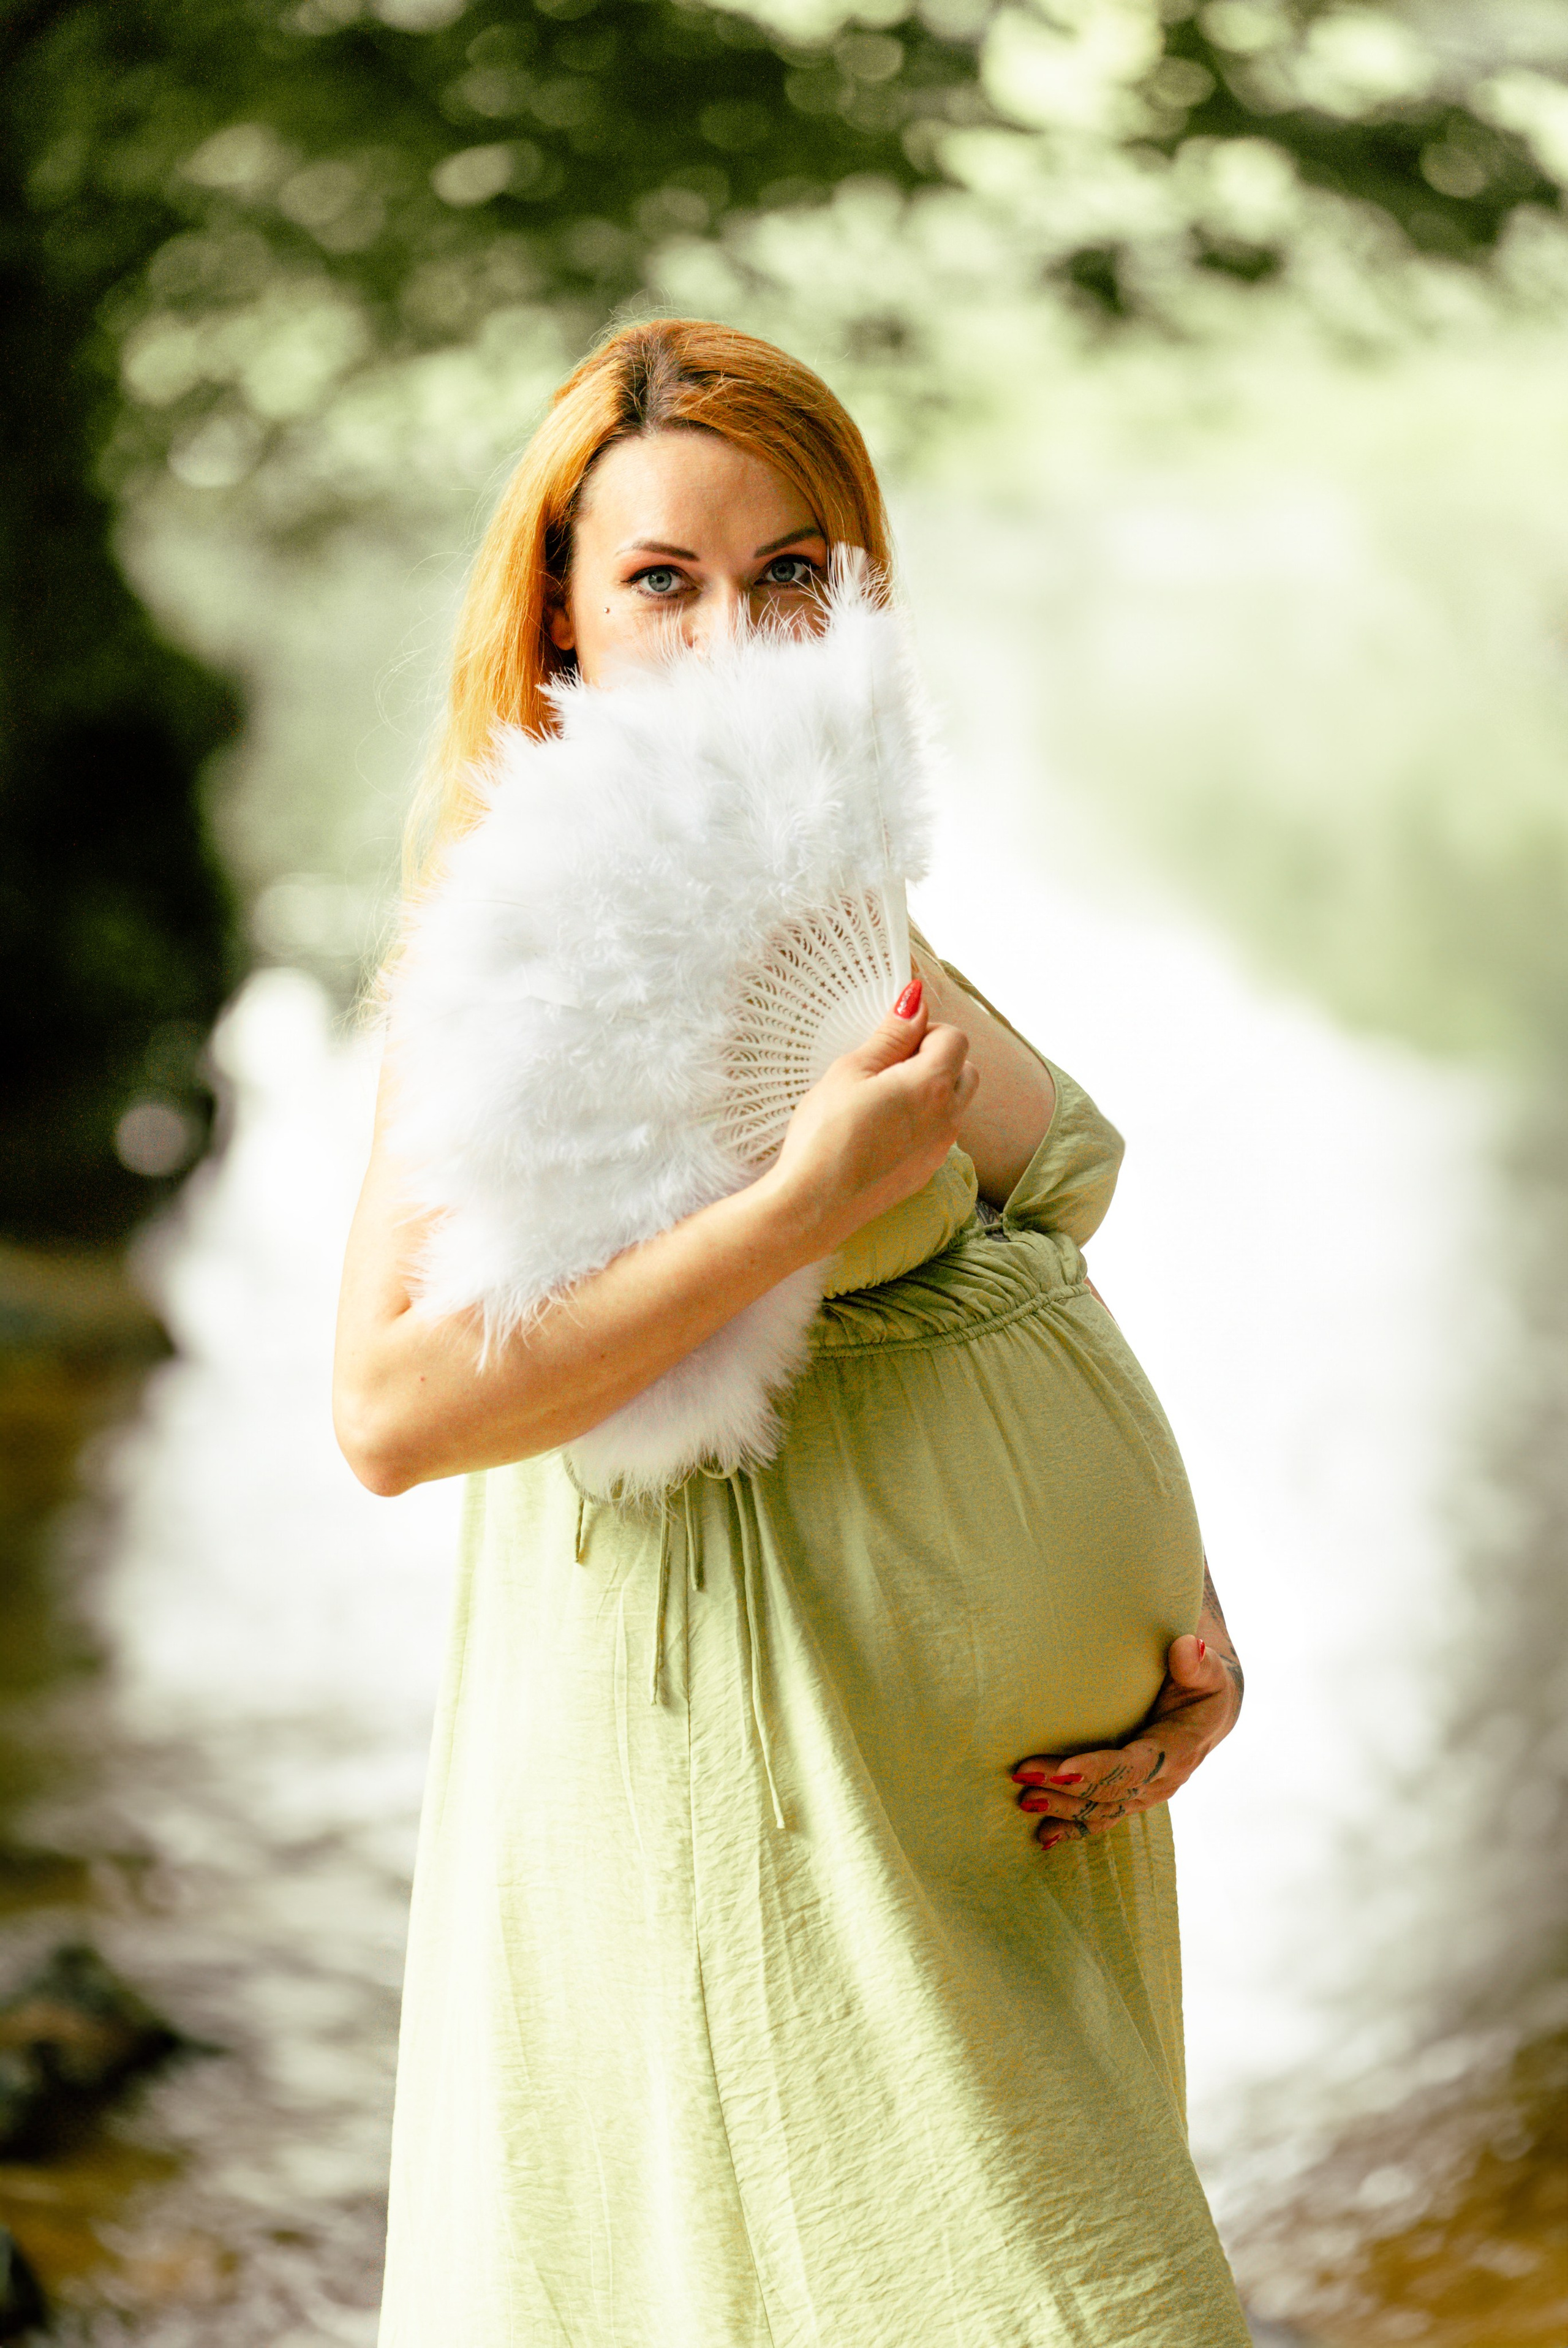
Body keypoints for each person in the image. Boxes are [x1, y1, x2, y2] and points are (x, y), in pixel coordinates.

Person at [334, 317, 1251, 2346]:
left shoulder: (844, 897)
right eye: (664, 580)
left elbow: (1035, 1238)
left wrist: (1187, 1630)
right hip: (757, 1773)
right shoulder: (519, 927)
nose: (735, 636)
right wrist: (794, 1211)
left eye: (791, 576)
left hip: (996, 1806)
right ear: (566, 624)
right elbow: (392, 1407)